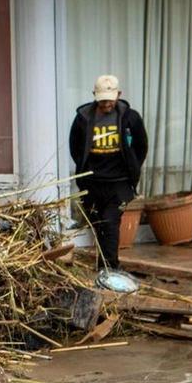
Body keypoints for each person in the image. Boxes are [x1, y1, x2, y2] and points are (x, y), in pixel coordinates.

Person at [69, 74, 148, 270]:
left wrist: (132, 168)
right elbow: (75, 147)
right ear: (95, 95)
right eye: (102, 100)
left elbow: (141, 146)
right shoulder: (83, 117)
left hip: (119, 183)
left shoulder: (131, 117)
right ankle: (103, 265)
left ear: (118, 95)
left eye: (109, 100)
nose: (106, 104)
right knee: (99, 225)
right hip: (92, 183)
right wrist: (84, 170)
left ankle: (110, 269)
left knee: (111, 224)